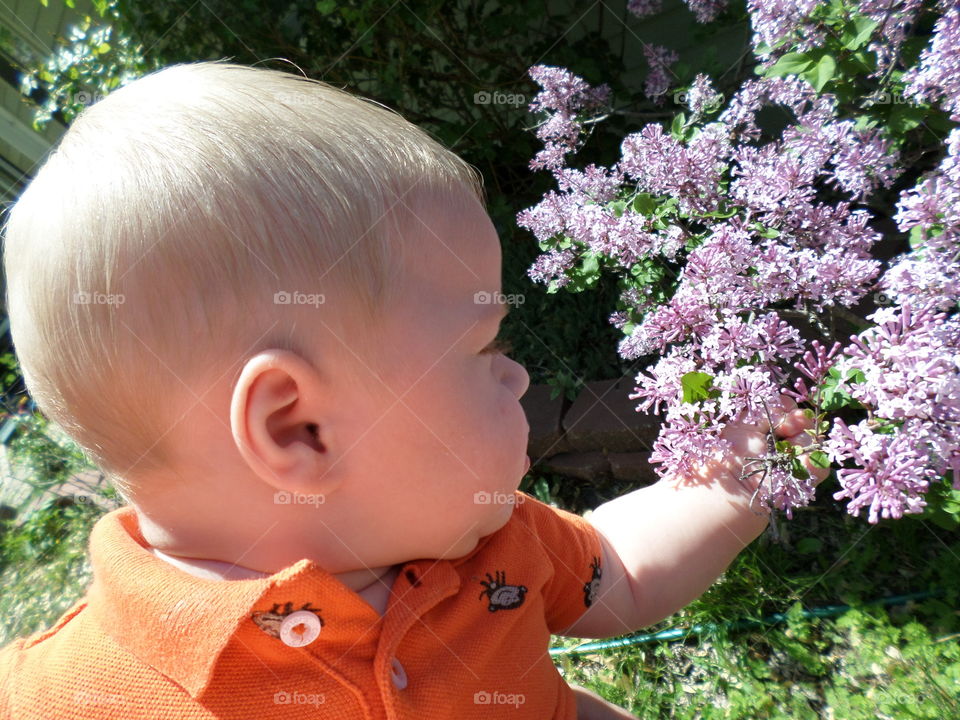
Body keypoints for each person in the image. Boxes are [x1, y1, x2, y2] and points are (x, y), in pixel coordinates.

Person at [0, 60, 827, 719]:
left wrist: (732, 481)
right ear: (299, 429)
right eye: (482, 347)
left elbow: (618, 571)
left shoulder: (485, 541)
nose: (518, 374)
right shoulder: (66, 699)